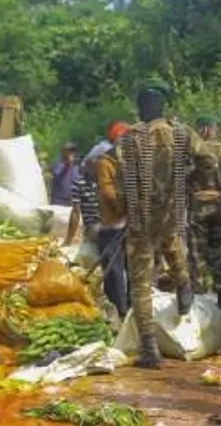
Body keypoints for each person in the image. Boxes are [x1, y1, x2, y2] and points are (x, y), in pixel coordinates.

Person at [115, 79, 206, 369]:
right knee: (172, 246)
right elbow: (207, 158)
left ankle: (150, 347)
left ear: (142, 106)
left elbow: (121, 179)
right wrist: (190, 181)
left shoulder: (130, 137)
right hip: (170, 211)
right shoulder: (180, 132)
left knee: (140, 283)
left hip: (141, 218)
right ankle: (184, 285)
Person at [188, 113, 221, 299]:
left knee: (196, 255)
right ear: (215, 128)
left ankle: (199, 296)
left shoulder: (193, 152)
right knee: (220, 254)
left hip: (197, 206)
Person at [93, 120, 131, 318]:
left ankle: (131, 308)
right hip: (114, 224)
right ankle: (120, 309)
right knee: (114, 271)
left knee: (132, 268)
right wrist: (125, 207)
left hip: (132, 225)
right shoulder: (105, 162)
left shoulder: (134, 161)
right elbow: (108, 192)